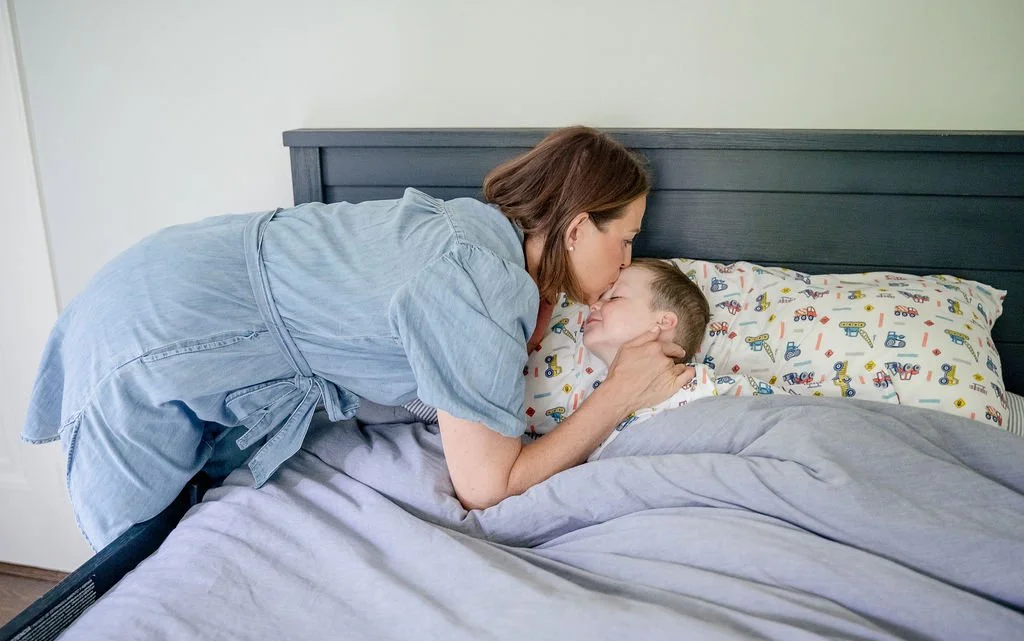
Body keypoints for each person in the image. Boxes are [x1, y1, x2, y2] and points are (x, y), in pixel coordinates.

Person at [22, 126, 695, 550]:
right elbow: (487, 487)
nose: (627, 260)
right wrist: (618, 393)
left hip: (168, 276)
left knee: (170, 531)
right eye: (625, 238)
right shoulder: (484, 281)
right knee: (130, 562)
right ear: (577, 227)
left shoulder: (472, 234)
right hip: (156, 334)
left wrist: (540, 307)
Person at [525, 258, 715, 447]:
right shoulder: (577, 390)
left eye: (614, 297)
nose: (593, 305)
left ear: (663, 321)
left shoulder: (692, 384)